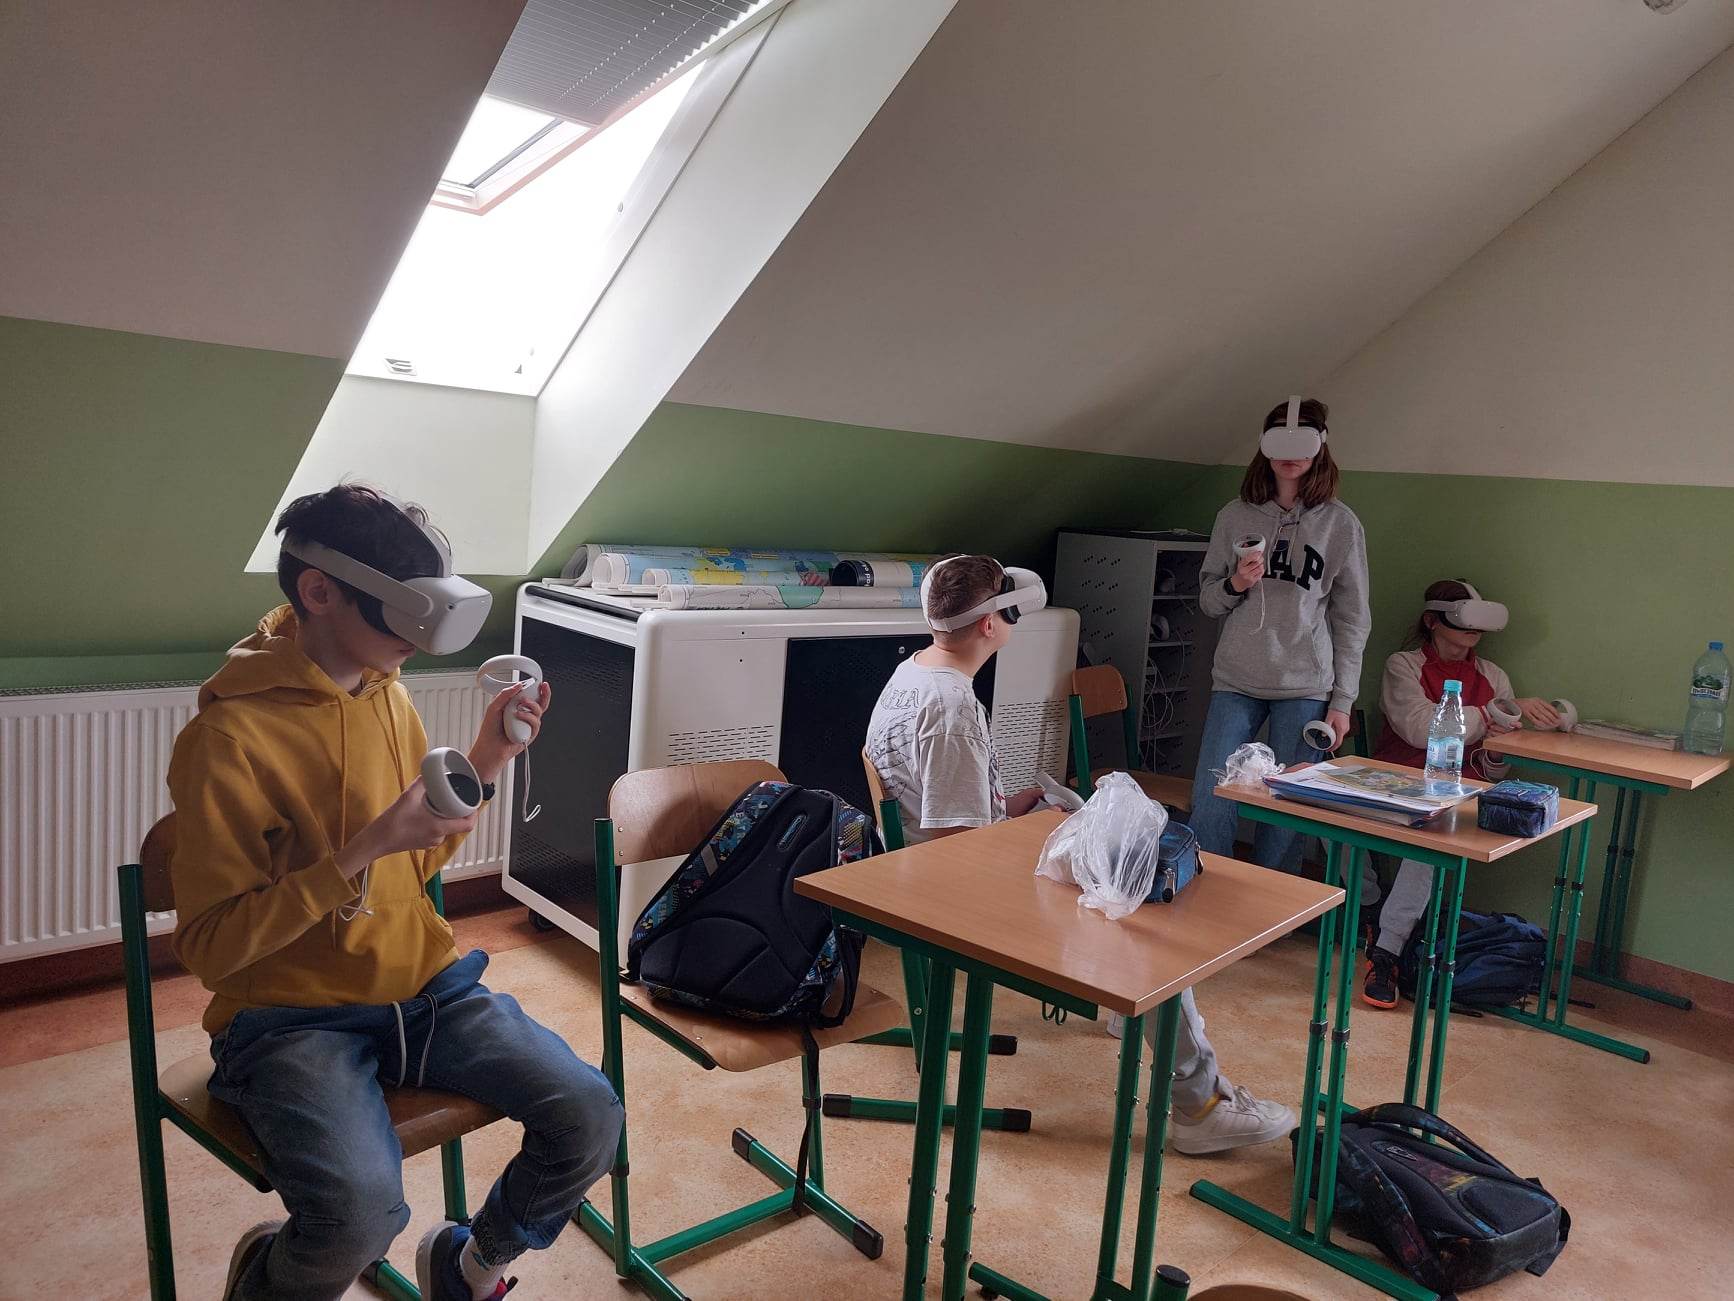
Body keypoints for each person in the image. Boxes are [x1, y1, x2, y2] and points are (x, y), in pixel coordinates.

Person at [168, 485, 622, 1301]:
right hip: (285, 1016)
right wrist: (363, 848)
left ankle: (468, 1267)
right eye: (405, 613)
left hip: (423, 987)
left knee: (590, 1114)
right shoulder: (228, 738)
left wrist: (486, 759)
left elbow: (414, 860)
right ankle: (267, 1278)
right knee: (356, 1217)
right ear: (320, 590)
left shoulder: (389, 692)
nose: (421, 637)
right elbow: (209, 947)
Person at [866, 554, 1296, 1154]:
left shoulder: (913, 673)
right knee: (1146, 927)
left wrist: (1024, 810)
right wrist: (1045, 843)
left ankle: (1134, 1010)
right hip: (952, 897)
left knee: (1122, 861)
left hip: (926, 870)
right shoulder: (951, 707)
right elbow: (957, 850)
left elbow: (949, 811)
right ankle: (1200, 1105)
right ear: (991, 624)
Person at [1192, 397, 1372, 885]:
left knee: (1289, 810)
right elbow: (1208, 600)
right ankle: (1205, 894)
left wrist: (1342, 701)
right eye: (1280, 442)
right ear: (1264, 446)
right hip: (1237, 679)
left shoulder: (1340, 524)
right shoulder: (1234, 516)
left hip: (1305, 684)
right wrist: (1236, 584)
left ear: (1320, 447)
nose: (1290, 456)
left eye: (1302, 443)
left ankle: (1272, 906)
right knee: (1213, 795)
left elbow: (1353, 618)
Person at [1361, 579, 1559, 1008]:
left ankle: (1387, 951)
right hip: (1397, 782)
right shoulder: (1404, 665)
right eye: (1462, 618)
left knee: (1434, 837)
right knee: (1323, 815)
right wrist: (1490, 714)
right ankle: (1371, 907)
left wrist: (1499, 750)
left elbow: (1494, 766)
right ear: (1433, 621)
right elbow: (1419, 728)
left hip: (1459, 794)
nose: (1472, 631)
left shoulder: (1493, 676)